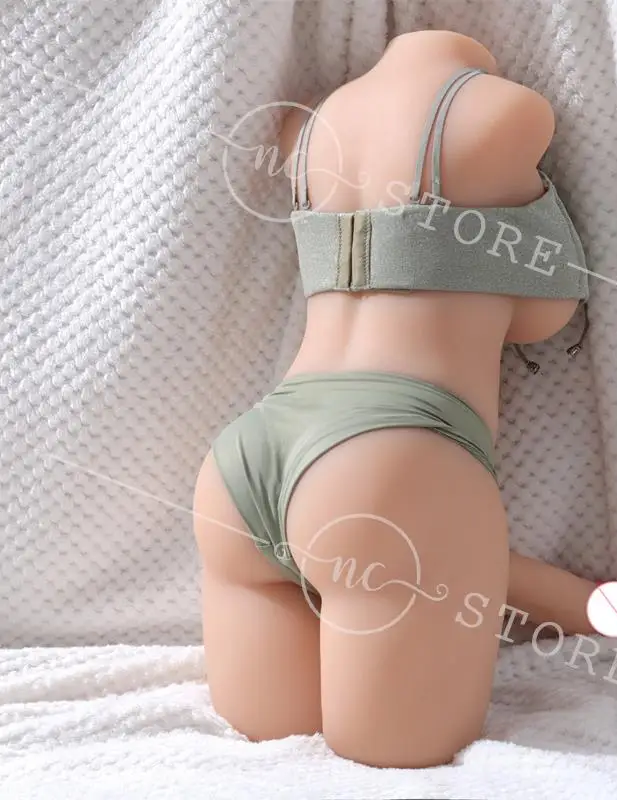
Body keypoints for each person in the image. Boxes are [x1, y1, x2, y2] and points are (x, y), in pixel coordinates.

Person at [193, 29, 596, 768]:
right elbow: (541, 314)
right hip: (391, 464)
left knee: (272, 760)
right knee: (392, 761)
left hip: (247, 464)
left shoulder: (311, 129)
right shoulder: (507, 114)